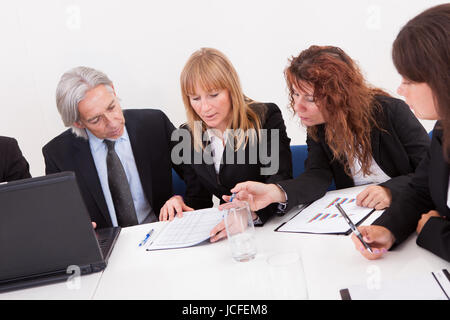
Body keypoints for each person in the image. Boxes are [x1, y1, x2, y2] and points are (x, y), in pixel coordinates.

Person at [226, 45, 430, 215]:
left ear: (340, 95)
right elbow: (316, 176)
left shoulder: (392, 111)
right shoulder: (319, 127)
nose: (297, 107)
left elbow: (431, 171)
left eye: (310, 98)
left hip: (409, 211)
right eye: (295, 94)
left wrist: (390, 191)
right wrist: (274, 192)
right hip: (360, 216)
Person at [160, 48, 292, 242]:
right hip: (231, 234)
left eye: (213, 94)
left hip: (270, 228)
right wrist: (179, 202)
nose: (204, 108)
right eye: (195, 98)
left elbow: (279, 182)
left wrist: (250, 214)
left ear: (231, 89)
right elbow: (200, 200)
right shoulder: (188, 135)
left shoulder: (264, 117)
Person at [351, 4, 450, 261]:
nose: (400, 89)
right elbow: (421, 190)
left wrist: (433, 231)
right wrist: (388, 228)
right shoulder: (444, 127)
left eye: (409, 80)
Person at [43, 66, 183, 229]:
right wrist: (75, 229)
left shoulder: (156, 122)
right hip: (106, 244)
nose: (112, 122)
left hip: (161, 231)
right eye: (96, 120)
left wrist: (180, 198)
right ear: (78, 122)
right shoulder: (56, 154)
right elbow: (61, 216)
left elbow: (196, 174)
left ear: (114, 91)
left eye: (111, 107)